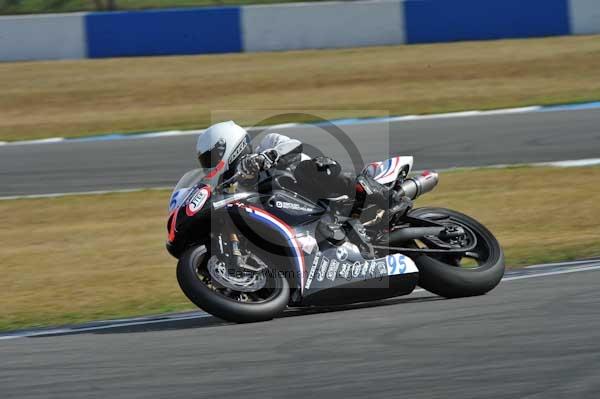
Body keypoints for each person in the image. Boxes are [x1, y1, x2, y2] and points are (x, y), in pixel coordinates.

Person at [195, 121, 410, 221]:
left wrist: (266, 158)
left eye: (211, 158)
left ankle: (383, 194)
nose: (210, 164)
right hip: (304, 214)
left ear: (228, 146)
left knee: (308, 170)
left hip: (320, 183)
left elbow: (294, 146)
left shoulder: (267, 143)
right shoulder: (242, 185)